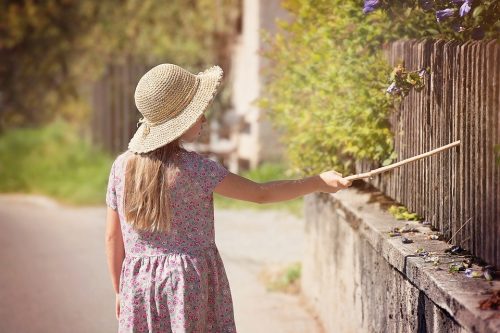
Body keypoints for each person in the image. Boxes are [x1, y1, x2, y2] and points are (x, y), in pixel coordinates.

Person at [104, 63, 352, 333]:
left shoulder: (121, 167)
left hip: (137, 284)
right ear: (180, 122)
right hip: (187, 284)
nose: (204, 119)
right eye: (198, 113)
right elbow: (261, 193)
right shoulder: (196, 169)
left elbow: (112, 237)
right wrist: (317, 182)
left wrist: (119, 289)